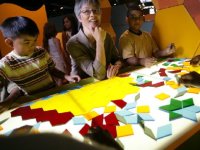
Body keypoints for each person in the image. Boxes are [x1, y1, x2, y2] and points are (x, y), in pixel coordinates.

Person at [0, 16, 80, 97]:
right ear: (10, 43)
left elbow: (52, 69)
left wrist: (67, 76)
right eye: (27, 42)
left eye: (34, 41)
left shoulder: (40, 51)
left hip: (53, 95)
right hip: (33, 102)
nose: (33, 45)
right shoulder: (7, 63)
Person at [66, 0, 123, 80]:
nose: (93, 15)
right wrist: (100, 41)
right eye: (86, 11)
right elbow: (99, 74)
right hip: (83, 87)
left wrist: (116, 66)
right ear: (79, 17)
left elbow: (117, 59)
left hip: (106, 84)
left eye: (96, 10)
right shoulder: (73, 43)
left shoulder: (106, 36)